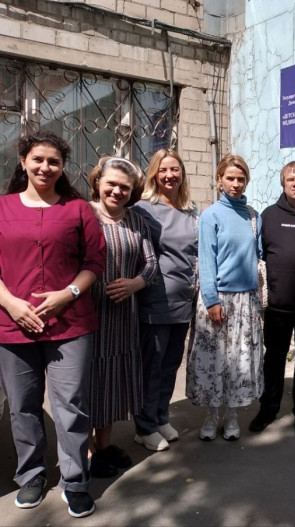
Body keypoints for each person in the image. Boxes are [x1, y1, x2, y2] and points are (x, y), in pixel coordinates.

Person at [0, 130, 105, 518]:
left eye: (54, 161)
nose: (45, 167)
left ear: (63, 167)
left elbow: (95, 261)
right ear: (23, 161)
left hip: (70, 325)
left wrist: (68, 294)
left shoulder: (78, 210)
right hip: (12, 325)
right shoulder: (1, 208)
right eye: (38, 159)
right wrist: (10, 303)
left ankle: (75, 481)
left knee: (71, 405)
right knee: (22, 406)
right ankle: (31, 475)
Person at [87, 156, 158, 477]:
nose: (117, 191)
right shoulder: (83, 215)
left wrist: (135, 283)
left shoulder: (136, 221)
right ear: (98, 183)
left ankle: (103, 446)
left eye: (124, 187)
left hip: (123, 319)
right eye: (111, 184)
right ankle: (85, 452)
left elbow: (151, 264)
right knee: (88, 383)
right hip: (88, 317)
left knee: (113, 383)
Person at [186, 154, 264, 441]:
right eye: (230, 178)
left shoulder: (253, 216)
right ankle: (211, 415)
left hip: (246, 301)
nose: (235, 184)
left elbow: (259, 255)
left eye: (241, 179)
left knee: (238, 362)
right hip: (218, 298)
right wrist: (211, 300)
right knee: (213, 361)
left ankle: (232, 416)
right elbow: (206, 261)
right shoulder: (211, 216)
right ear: (219, 179)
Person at [249, 161, 295, 436]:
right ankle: (268, 409)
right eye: (290, 179)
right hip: (277, 305)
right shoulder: (269, 216)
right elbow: (259, 255)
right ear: (283, 184)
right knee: (274, 359)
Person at [132, 149, 198, 451]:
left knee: (171, 363)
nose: (170, 175)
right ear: (154, 175)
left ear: (182, 173)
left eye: (175, 169)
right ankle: (144, 427)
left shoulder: (189, 210)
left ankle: (160, 416)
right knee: (153, 365)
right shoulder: (144, 209)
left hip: (184, 299)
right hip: (156, 299)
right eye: (163, 170)